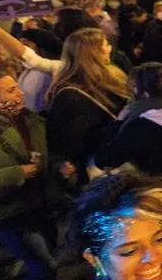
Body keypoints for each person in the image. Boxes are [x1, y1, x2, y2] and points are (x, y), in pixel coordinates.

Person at [0, 71, 62, 280]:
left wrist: (60, 168)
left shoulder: (30, 120)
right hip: (5, 215)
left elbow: (48, 154)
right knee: (43, 264)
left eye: (16, 87)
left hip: (40, 204)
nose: (18, 93)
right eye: (9, 91)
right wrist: (20, 173)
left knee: (48, 266)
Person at [45, 28, 131, 184]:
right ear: (93, 52)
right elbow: (70, 141)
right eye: (105, 44)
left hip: (121, 156)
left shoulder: (113, 76)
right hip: (103, 168)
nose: (110, 48)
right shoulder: (70, 95)